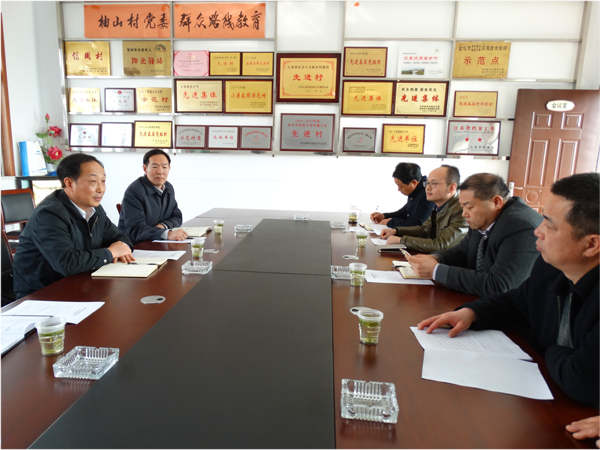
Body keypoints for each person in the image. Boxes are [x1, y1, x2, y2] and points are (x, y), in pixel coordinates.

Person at [418, 172, 599, 409]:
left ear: (591, 244)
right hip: (544, 397)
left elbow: (581, 381)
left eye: (549, 224)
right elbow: (515, 301)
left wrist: (548, 351)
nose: (538, 230)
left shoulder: (520, 227)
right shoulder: (550, 267)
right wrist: (471, 313)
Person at [13, 154, 133, 298]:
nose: (101, 189)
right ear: (69, 183)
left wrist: (120, 248)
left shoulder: (95, 209)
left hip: (81, 283)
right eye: (93, 181)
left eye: (103, 181)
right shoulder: (49, 214)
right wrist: (110, 253)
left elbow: (121, 239)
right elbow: (67, 264)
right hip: (43, 294)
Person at [406, 173, 543, 296]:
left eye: (469, 207)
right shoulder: (484, 217)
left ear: (496, 202)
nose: (464, 214)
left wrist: (436, 271)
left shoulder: (521, 227)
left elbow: (499, 286)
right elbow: (463, 251)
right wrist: (435, 258)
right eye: (462, 207)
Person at [380, 165, 467, 253]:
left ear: (452, 188)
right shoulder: (438, 206)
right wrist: (396, 231)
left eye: (434, 183)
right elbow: (424, 230)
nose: (428, 188)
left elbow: (442, 245)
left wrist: (401, 240)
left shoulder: (462, 210)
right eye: (427, 183)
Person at [118, 149, 187, 246]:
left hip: (158, 242)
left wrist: (162, 226)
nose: (160, 171)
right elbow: (136, 230)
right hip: (135, 246)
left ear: (169, 168)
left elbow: (177, 216)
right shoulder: (134, 191)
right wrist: (167, 234)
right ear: (145, 168)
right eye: (155, 167)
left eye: (164, 167)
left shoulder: (168, 187)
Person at [369, 162, 434, 228]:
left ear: (414, 182)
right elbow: (404, 213)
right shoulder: (416, 191)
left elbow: (419, 224)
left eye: (400, 186)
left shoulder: (427, 195)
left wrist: (391, 222)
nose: (398, 189)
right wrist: (384, 216)